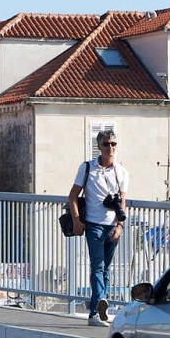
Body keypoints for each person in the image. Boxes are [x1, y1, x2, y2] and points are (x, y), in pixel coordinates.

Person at [68, 130, 128, 324]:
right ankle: (97, 309)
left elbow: (122, 202)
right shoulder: (87, 168)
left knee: (106, 269)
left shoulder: (121, 172)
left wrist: (120, 226)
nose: (110, 148)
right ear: (99, 147)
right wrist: (77, 220)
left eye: (113, 144)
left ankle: (99, 310)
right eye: (106, 144)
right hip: (93, 224)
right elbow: (73, 196)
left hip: (112, 226)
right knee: (97, 266)